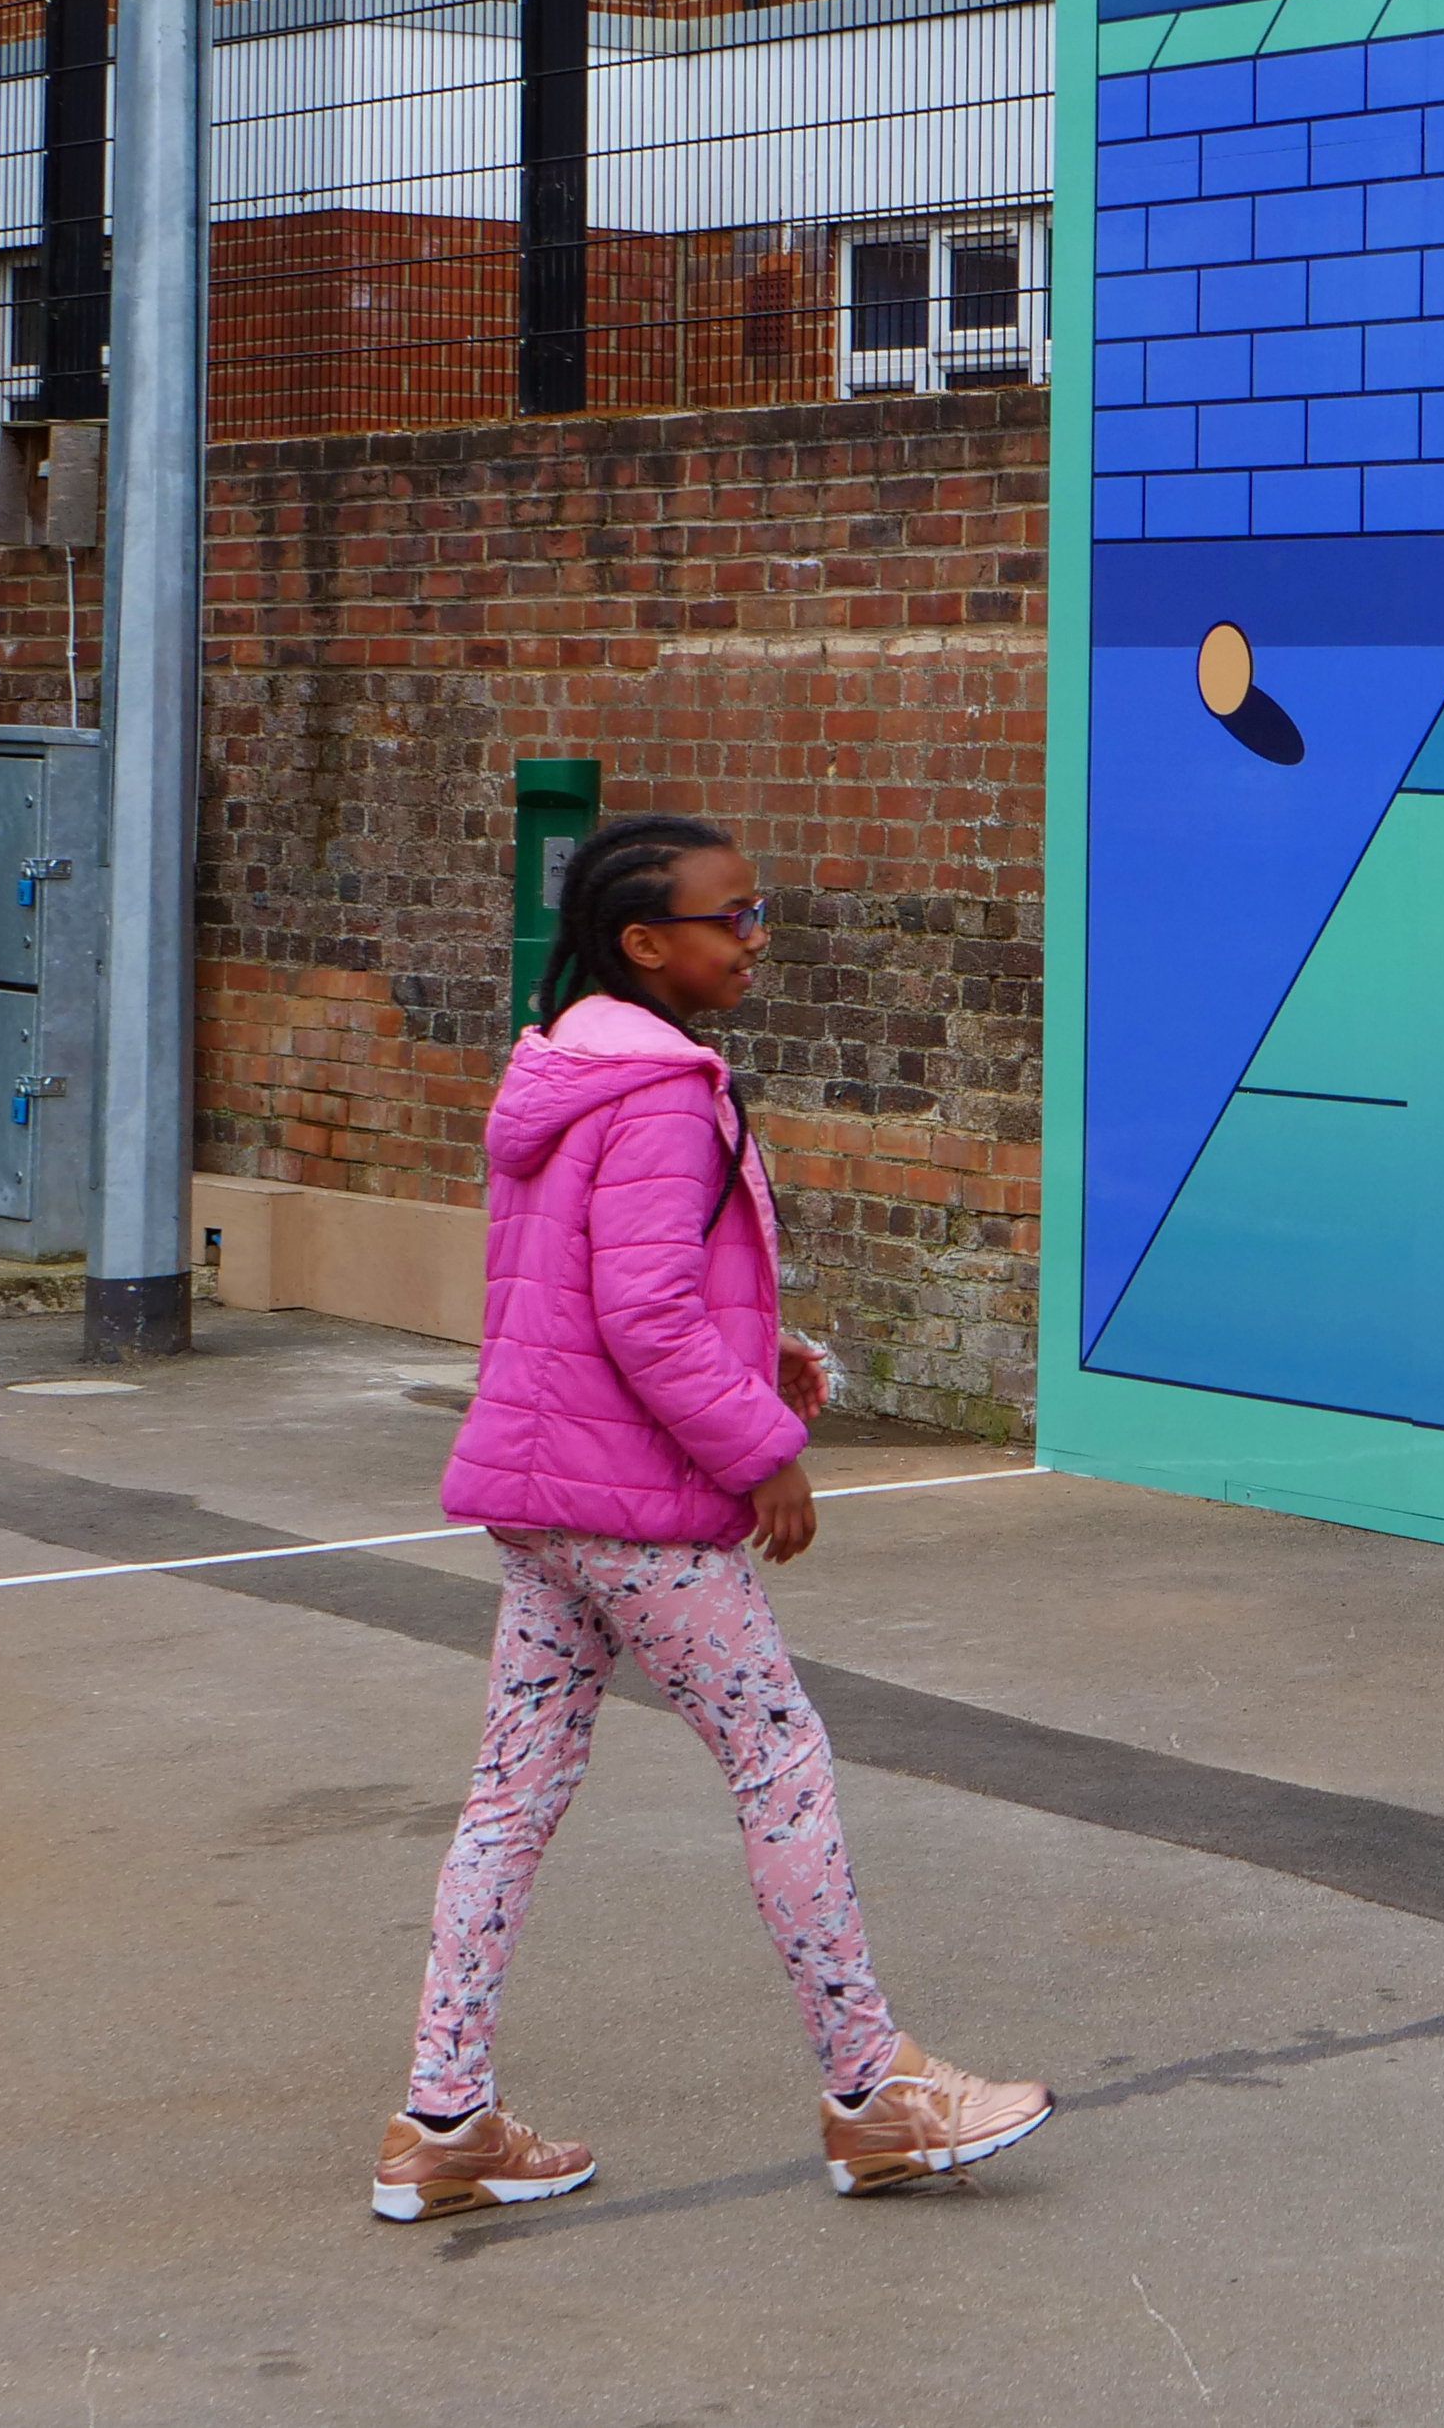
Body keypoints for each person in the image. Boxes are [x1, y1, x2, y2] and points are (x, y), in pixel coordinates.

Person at [376, 813, 1053, 2224]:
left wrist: (763, 1352)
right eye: (728, 916)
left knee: (512, 1790)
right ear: (643, 940)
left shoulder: (564, 1070)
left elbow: (582, 1290)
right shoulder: (666, 1092)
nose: (755, 937)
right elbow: (641, 1313)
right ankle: (876, 2091)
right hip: (637, 1515)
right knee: (779, 1758)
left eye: (756, 909)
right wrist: (767, 1446)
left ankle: (443, 2118)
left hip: (545, 1500)